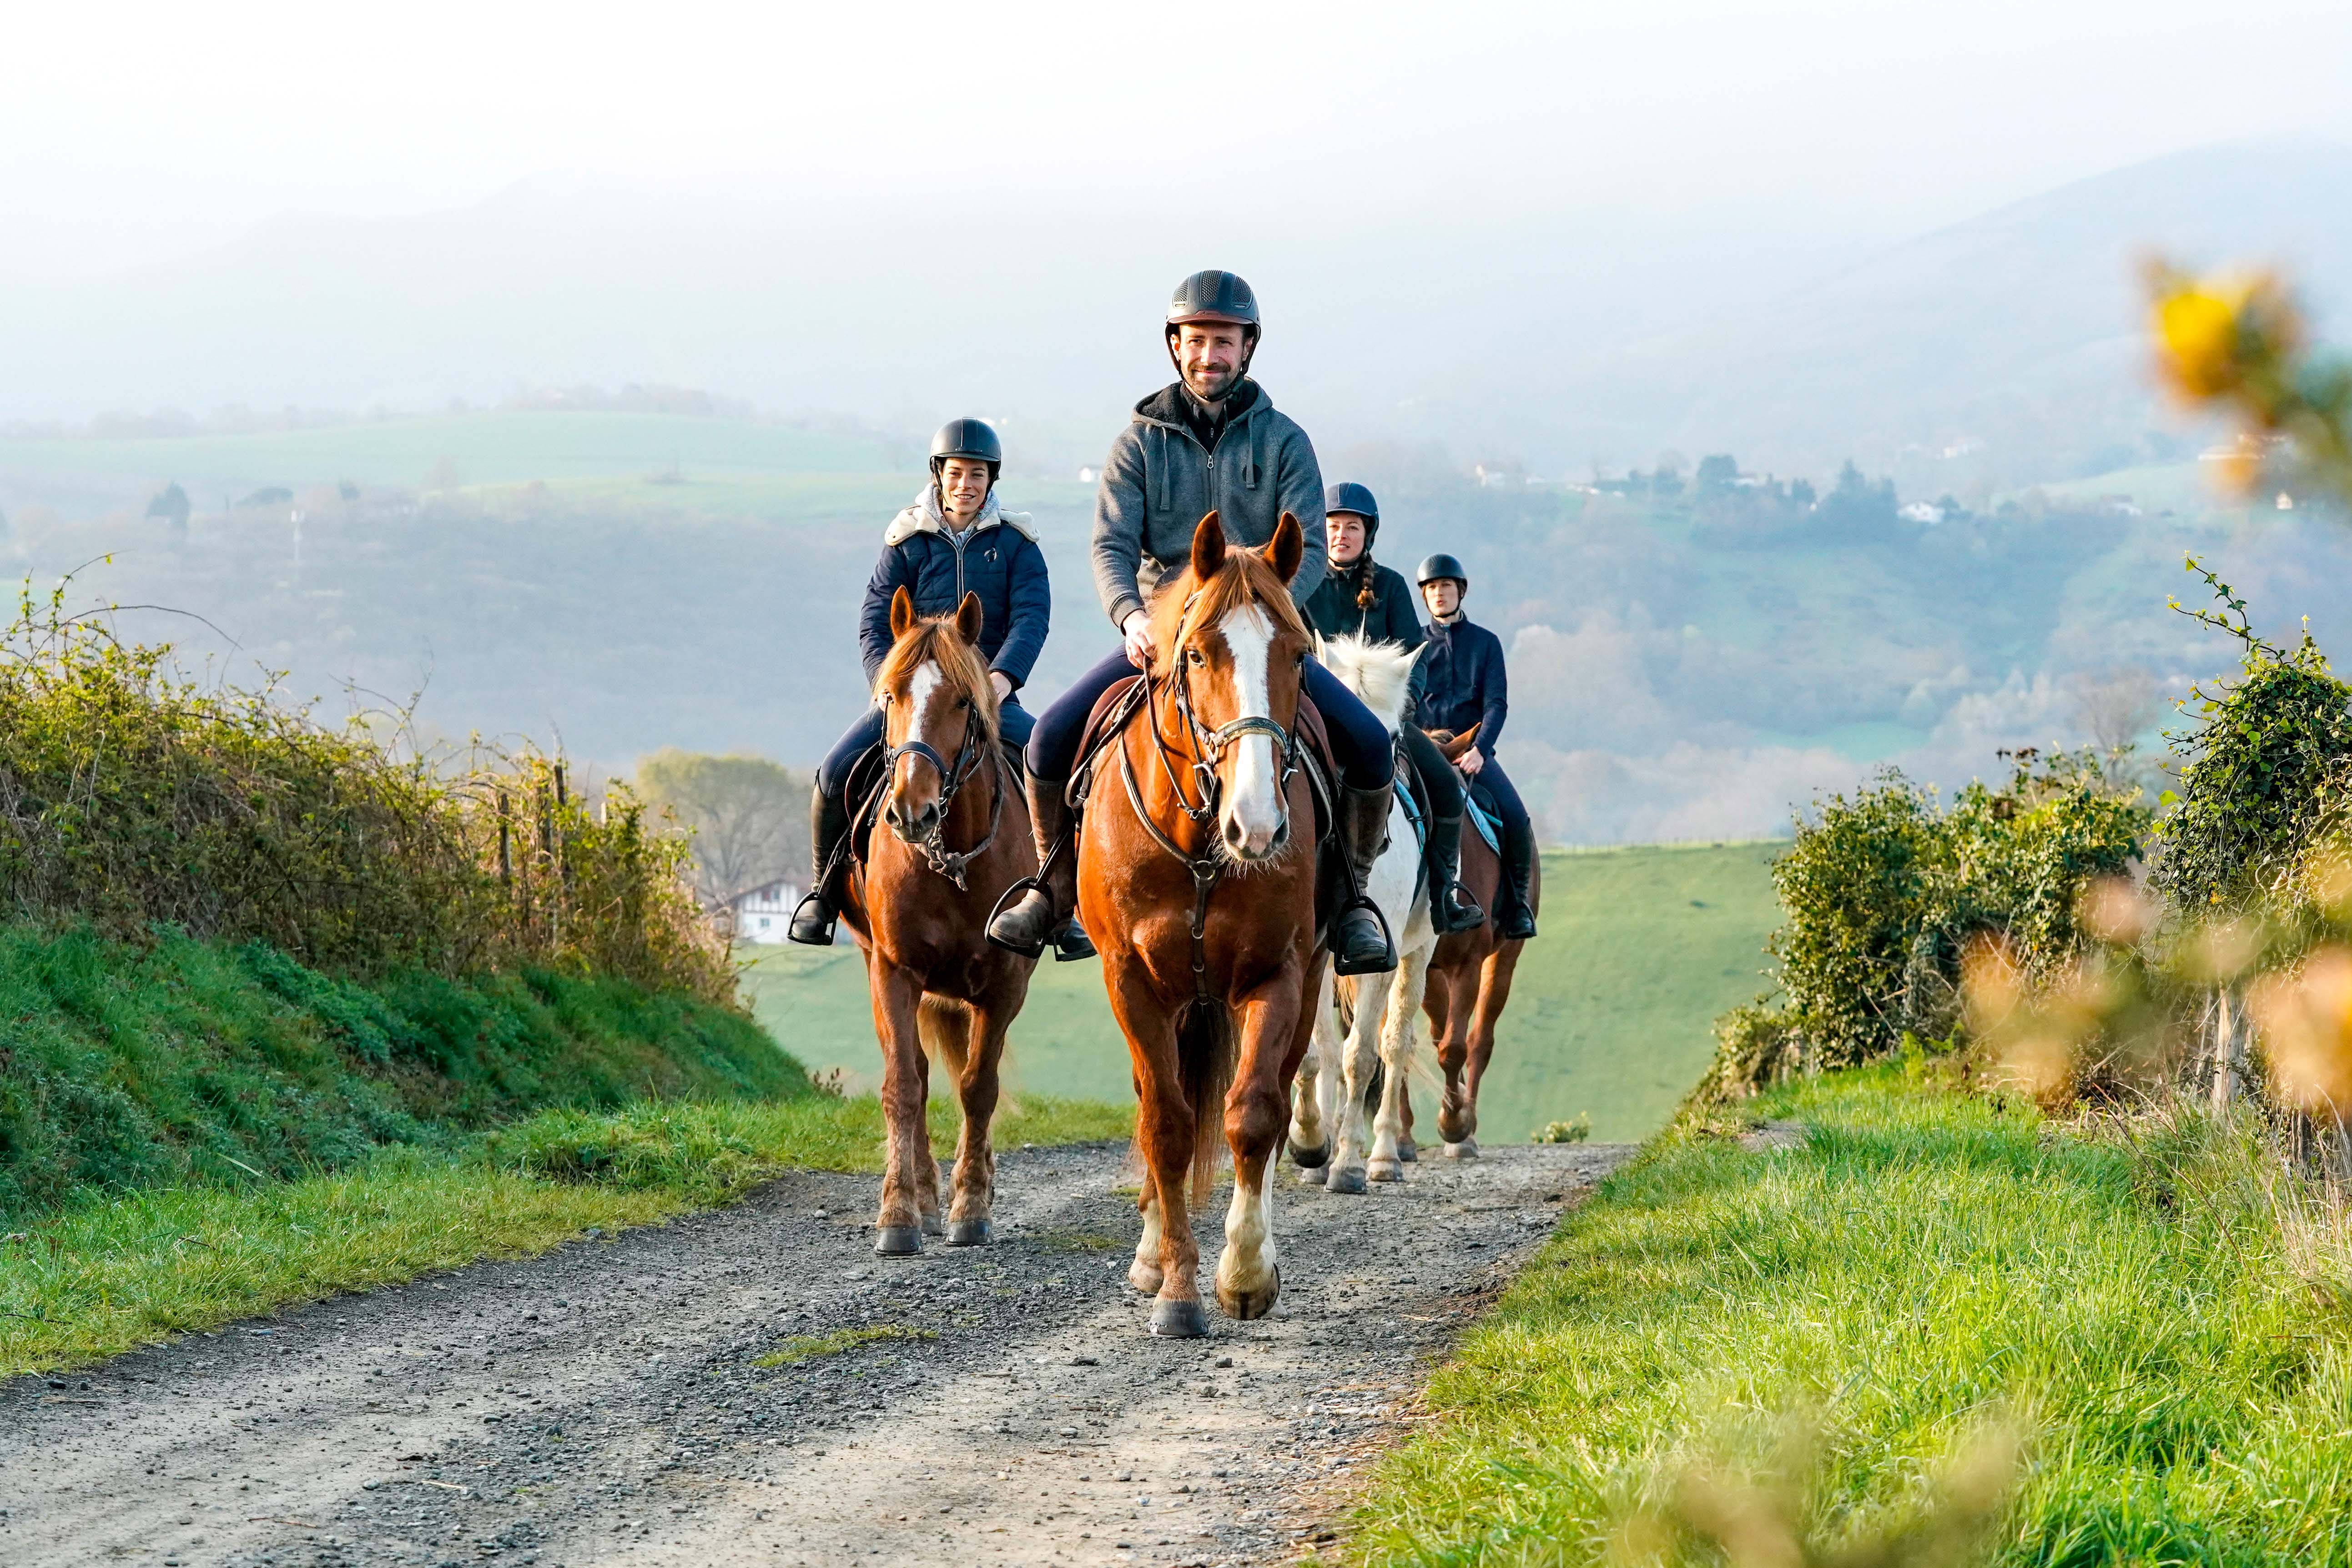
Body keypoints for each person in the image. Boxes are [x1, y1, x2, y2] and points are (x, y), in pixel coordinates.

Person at [984, 269, 1401, 974]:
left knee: (1366, 745)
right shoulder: (1137, 445)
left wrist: (1262, 608)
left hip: (1258, 637)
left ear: (1247, 349)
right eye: (1197, 340)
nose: (1210, 355)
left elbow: (1296, 542)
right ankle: (1054, 888)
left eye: (1224, 342)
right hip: (1164, 634)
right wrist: (1128, 617)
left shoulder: (1284, 441)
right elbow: (1111, 546)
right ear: (1175, 347)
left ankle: (1354, 900)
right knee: (1049, 740)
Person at [788, 417, 1062, 948]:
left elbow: (1032, 617)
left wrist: (1001, 680)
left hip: (985, 697)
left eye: (976, 475)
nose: (965, 484)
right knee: (833, 772)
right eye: (956, 473)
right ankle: (822, 893)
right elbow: (874, 619)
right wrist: (890, 687)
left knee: (1050, 765)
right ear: (938, 475)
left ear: (991, 480)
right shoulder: (906, 543)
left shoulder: (1016, 545)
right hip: (908, 697)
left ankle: (1056, 896)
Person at [1301, 482, 1483, 935]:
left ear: (1368, 535)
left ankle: (1444, 897)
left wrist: (1403, 702)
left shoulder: (1391, 586)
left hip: (1381, 721)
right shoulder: (1299, 589)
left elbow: (1414, 656)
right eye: (1333, 527)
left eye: (1351, 527)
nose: (1341, 535)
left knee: (1444, 786)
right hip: (1314, 719)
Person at [1409, 552, 1537, 940]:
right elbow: (1405, 703)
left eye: (1446, 586)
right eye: (1431, 588)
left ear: (1460, 592)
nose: (1439, 594)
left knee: (1517, 819)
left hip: (1473, 752)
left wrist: (1480, 750)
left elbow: (1496, 703)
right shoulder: (1412, 643)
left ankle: (1517, 907)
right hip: (1423, 751)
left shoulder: (1486, 643)